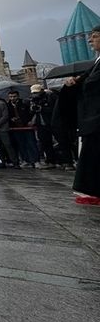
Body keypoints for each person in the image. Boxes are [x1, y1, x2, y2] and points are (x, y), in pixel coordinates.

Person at [60, 25, 100, 205]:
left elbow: (92, 85)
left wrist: (77, 84)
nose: (90, 40)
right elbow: (85, 80)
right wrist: (74, 82)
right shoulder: (96, 62)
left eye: (95, 36)